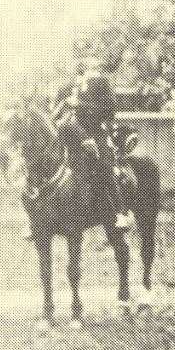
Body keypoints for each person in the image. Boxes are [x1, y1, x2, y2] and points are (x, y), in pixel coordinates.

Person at [61, 54, 134, 231]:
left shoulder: (103, 83)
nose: (89, 66)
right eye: (87, 63)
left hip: (96, 132)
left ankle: (121, 212)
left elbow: (109, 109)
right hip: (75, 134)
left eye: (93, 63)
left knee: (105, 166)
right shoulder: (74, 83)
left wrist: (80, 104)